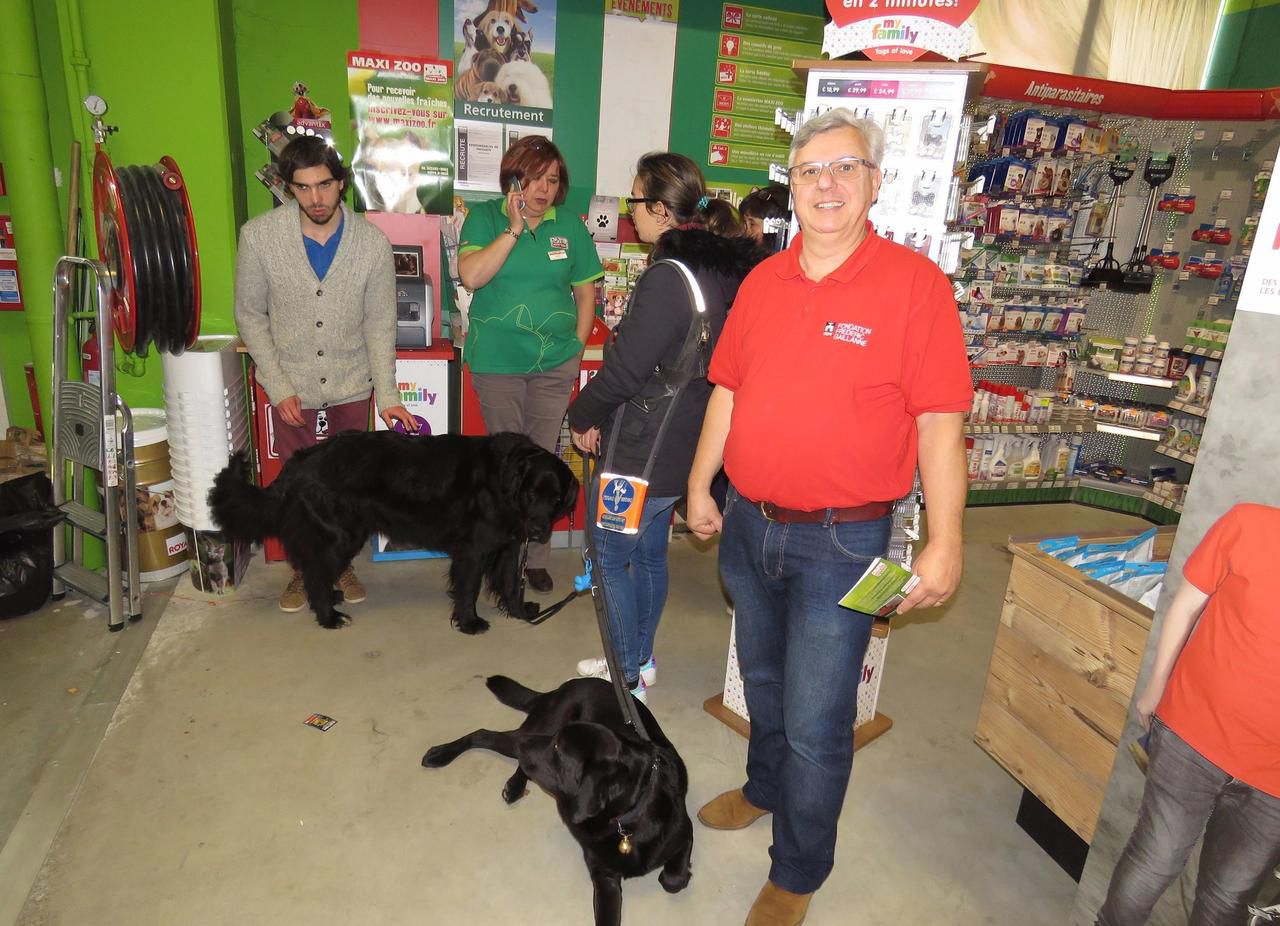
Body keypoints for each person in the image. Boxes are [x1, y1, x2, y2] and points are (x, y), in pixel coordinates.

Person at [684, 108, 972, 926]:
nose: (827, 185)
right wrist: (704, 484)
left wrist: (946, 543)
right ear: (793, 191)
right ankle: (766, 789)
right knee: (764, 682)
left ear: (875, 184)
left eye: (845, 168)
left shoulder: (915, 287)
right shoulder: (763, 284)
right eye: (811, 171)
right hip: (749, 525)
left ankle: (799, 871)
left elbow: (939, 422)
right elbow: (728, 392)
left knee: (817, 717)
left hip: (845, 543)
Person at [567, 153, 764, 702]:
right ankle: (640, 659)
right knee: (650, 552)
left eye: (635, 201)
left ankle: (625, 673)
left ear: (658, 207)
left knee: (608, 556)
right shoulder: (724, 272)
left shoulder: (668, 277)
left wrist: (581, 414)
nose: (631, 213)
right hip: (688, 446)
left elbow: (625, 370)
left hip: (639, 449)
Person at [234, 135, 416, 614]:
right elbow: (250, 317)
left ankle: (341, 563)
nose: (316, 199)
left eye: (324, 186)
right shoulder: (258, 237)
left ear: (341, 184)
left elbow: (380, 324)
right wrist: (279, 387)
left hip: (351, 386)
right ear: (287, 187)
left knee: (350, 489)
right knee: (298, 490)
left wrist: (389, 395)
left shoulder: (372, 243)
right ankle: (303, 570)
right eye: (303, 188)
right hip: (290, 388)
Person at [1096, 503, 1280, 926]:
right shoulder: (1248, 522)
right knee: (1154, 860)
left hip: (1272, 777)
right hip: (1192, 733)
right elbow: (1185, 606)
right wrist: (1157, 686)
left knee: (1226, 899)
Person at [458, 136, 603, 593]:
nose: (543, 189)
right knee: (507, 464)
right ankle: (504, 555)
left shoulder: (571, 228)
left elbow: (586, 293)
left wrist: (576, 347)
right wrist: (514, 228)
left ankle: (535, 555)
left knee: (544, 460)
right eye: (536, 177)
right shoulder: (484, 218)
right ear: (514, 177)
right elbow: (472, 275)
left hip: (554, 362)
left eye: (553, 179)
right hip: (497, 362)